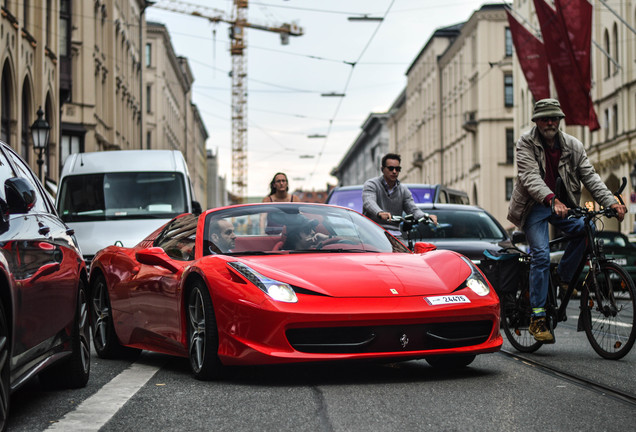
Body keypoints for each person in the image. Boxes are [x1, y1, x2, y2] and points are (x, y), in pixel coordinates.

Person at [507, 98, 626, 343]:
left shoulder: (573, 145)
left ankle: (563, 276)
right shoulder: (525, 143)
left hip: (564, 206)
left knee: (588, 227)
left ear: (560, 120)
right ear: (537, 121)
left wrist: (610, 202)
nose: (550, 122)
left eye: (554, 118)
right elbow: (530, 177)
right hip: (535, 207)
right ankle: (537, 318)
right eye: (544, 118)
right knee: (540, 255)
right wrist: (551, 200)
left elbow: (590, 176)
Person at [362, 153, 436, 229]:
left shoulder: (403, 189)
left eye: (397, 169)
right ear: (382, 169)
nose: (394, 171)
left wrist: (425, 216)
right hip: (372, 231)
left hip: (394, 232)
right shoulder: (371, 184)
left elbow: (412, 209)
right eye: (391, 168)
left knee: (403, 241)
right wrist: (379, 212)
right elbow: (369, 202)